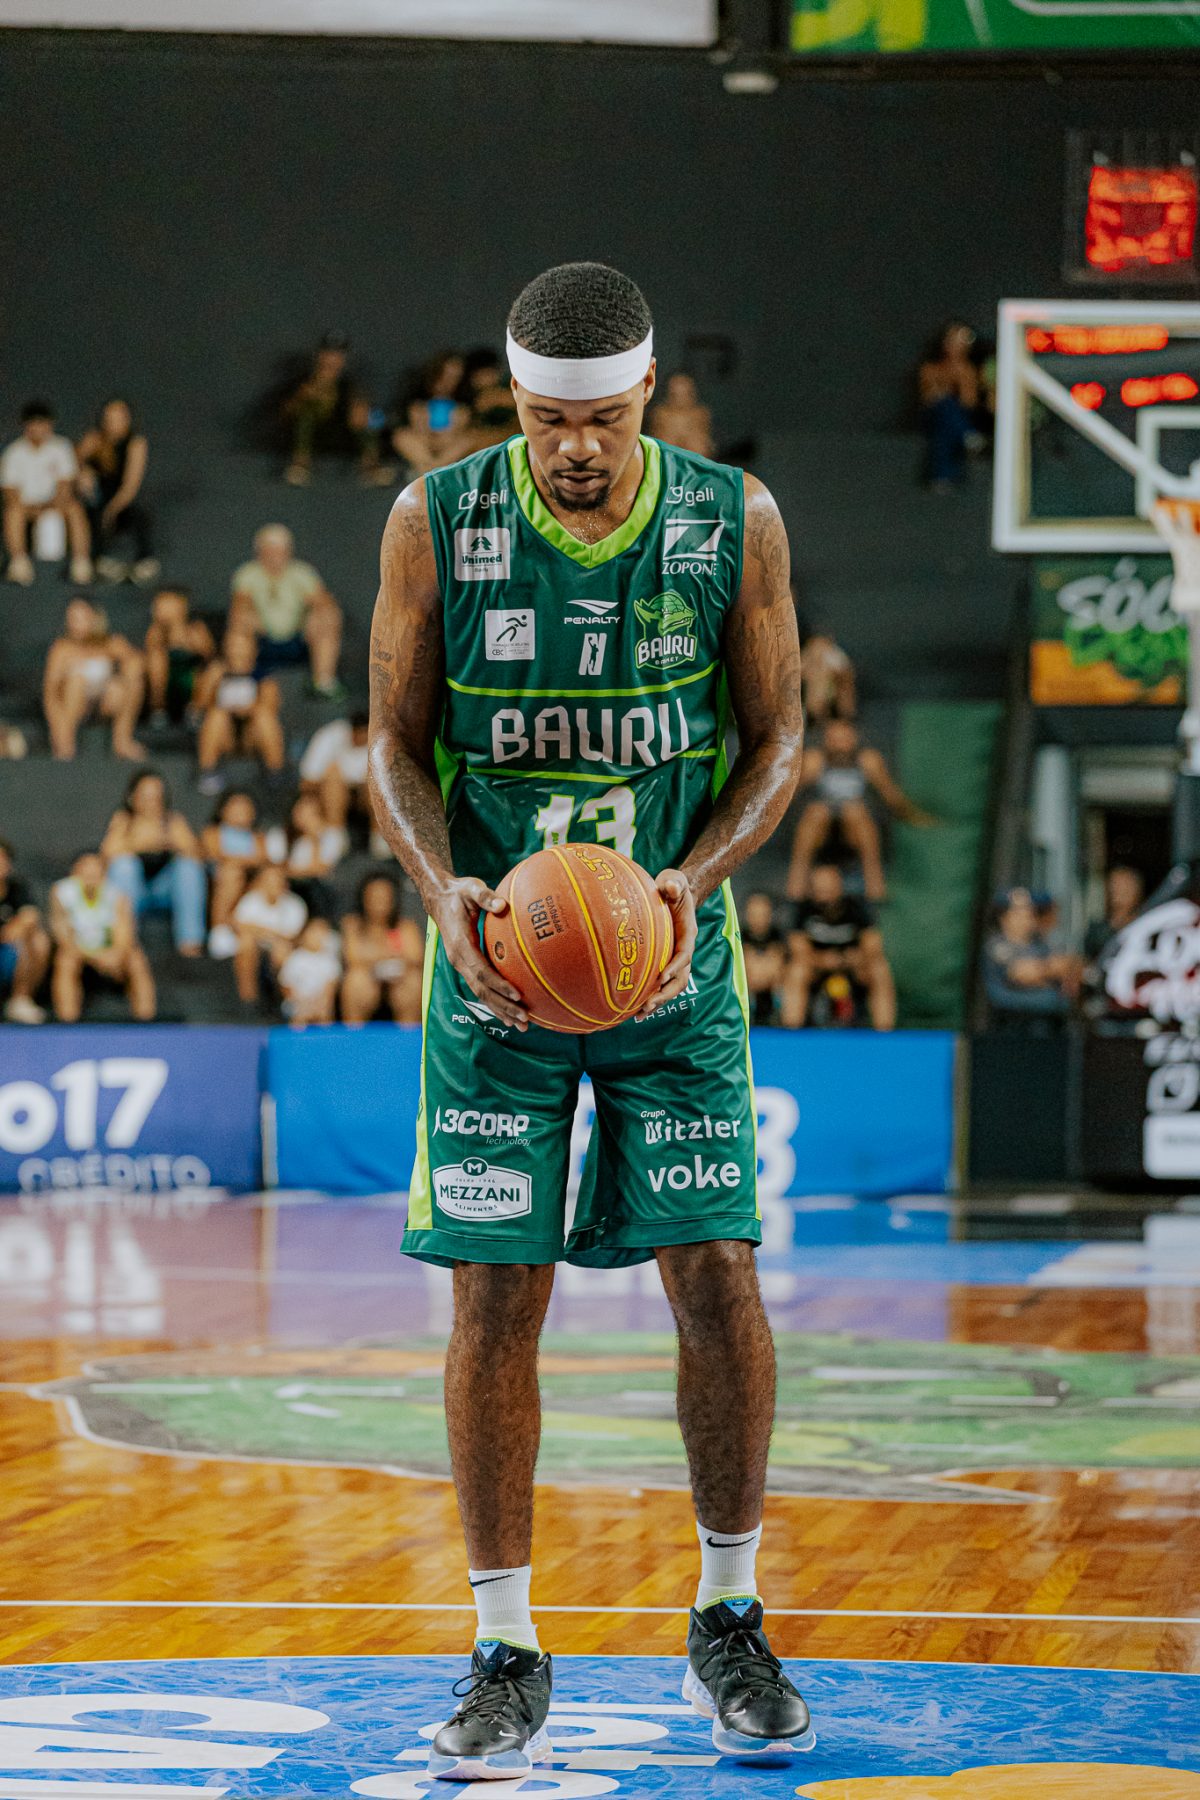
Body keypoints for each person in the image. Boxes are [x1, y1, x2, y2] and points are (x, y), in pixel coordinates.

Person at [368, 260, 812, 1776]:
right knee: (496, 1294)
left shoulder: (733, 518)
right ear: (512, 402)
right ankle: (504, 1648)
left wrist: (694, 880)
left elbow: (781, 738)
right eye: (548, 420)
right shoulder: (434, 520)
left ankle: (729, 1618)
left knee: (719, 1271)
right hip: (499, 968)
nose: (575, 447)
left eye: (604, 420)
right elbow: (392, 742)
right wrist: (443, 890)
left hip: (671, 962)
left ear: (647, 400)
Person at [786, 718, 934, 904]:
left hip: (855, 830)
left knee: (854, 811)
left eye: (844, 740)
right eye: (834, 740)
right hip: (821, 831)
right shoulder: (814, 760)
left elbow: (891, 797)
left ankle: (876, 890)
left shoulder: (868, 760)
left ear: (854, 739)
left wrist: (914, 817)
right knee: (817, 811)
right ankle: (795, 891)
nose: (840, 746)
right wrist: (803, 777)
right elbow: (786, 799)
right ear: (825, 740)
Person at [228, 524, 344, 698]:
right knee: (240, 621)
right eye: (270, 550)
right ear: (260, 552)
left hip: (297, 639)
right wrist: (252, 618)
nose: (275, 556)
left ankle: (323, 682)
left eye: (279, 550)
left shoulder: (302, 573)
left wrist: (314, 616)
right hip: (262, 639)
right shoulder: (248, 573)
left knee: (328, 617)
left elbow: (324, 602)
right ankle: (241, 683)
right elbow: (240, 604)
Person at [101, 770, 206, 958]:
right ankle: (124, 941)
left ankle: (190, 943)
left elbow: (197, 855)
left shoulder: (173, 820)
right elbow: (107, 855)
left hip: (165, 891)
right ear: (132, 797)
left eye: (156, 796)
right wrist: (138, 843)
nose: (151, 802)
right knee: (124, 865)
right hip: (134, 893)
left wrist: (170, 842)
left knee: (188, 867)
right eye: (146, 796)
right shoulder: (123, 820)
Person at [782, 863, 895, 1030]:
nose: (824, 893)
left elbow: (873, 946)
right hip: (816, 969)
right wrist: (823, 961)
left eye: (828, 888)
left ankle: (885, 1032)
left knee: (880, 969)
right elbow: (798, 949)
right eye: (819, 888)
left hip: (853, 968)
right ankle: (791, 1030)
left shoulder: (857, 908)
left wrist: (851, 959)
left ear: (839, 886)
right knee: (796, 970)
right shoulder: (803, 910)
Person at [50, 851, 155, 1022]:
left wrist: (115, 955)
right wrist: (94, 957)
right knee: (66, 960)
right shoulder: (62, 892)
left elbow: (125, 934)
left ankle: (145, 1018)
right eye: (86, 867)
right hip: (78, 950)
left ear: (104, 871)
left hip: (109, 949)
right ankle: (67, 1019)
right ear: (75, 871)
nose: (91, 872)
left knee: (136, 959)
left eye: (96, 867)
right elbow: (63, 936)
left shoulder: (117, 895)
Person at [42, 598, 146, 762]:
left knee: (129, 682)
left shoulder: (111, 643)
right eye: (72, 619)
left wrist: (126, 671)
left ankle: (122, 740)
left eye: (81, 618)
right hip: (74, 705)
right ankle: (67, 741)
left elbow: (136, 662)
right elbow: (50, 694)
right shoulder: (61, 649)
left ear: (95, 619)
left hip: (104, 703)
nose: (75, 624)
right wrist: (58, 730)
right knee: (76, 682)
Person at [2, 400, 92, 587]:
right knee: (12, 511)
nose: (38, 428)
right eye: (33, 423)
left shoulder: (61, 447)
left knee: (75, 509)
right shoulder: (13, 453)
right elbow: (10, 491)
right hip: (26, 506)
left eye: (42, 423)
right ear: (25, 426)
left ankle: (81, 563)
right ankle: (19, 563)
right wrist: (31, 509)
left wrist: (51, 506)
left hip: (56, 504)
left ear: (50, 424)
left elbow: (65, 485)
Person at [281, 331, 388, 488]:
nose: (333, 359)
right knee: (306, 413)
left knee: (371, 416)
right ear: (320, 356)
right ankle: (300, 465)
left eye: (338, 355)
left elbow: (378, 417)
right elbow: (283, 414)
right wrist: (302, 397)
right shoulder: (303, 380)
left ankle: (370, 466)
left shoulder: (351, 384)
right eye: (328, 354)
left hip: (342, 437)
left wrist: (363, 410)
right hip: (311, 438)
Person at [75, 398, 158, 584]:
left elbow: (130, 487)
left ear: (128, 419)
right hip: (95, 499)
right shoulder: (93, 439)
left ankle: (145, 561)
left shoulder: (136, 443)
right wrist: (82, 471)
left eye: (119, 418)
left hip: (120, 499)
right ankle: (98, 559)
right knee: (90, 509)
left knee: (138, 514)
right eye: (109, 418)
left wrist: (111, 511)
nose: (113, 423)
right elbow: (70, 464)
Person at [194, 630, 285, 794]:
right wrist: (211, 680)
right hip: (224, 734)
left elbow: (270, 707)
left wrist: (247, 709)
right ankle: (208, 772)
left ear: (253, 649)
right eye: (232, 646)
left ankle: (275, 772)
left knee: (264, 717)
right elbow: (198, 707)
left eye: (242, 646)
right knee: (216, 715)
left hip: (252, 734)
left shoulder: (263, 676)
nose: (237, 651)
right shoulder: (216, 672)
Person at [983, 886, 1081, 1022]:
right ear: (1004, 917)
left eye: (1029, 910)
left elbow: (1072, 966)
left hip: (1049, 1021)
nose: (1027, 915)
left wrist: (1050, 971)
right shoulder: (997, 945)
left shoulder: (1038, 944)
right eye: (1019, 911)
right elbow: (1022, 974)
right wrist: (1051, 970)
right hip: (1013, 1022)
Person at [340, 871, 424, 1024]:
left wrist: (374, 955)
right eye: (374, 897)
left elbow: (416, 957)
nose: (379, 902)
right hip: (367, 979)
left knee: (413, 981)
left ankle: (408, 1034)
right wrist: (390, 954)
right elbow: (352, 958)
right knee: (355, 980)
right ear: (364, 899)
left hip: (400, 979)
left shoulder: (405, 926)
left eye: (384, 897)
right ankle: (354, 1033)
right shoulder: (353, 925)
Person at [201, 790, 273, 959]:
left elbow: (263, 861)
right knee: (231, 874)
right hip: (220, 880)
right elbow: (215, 855)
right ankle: (220, 931)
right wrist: (244, 861)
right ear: (222, 810)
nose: (240, 811)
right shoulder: (213, 833)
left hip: (249, 880)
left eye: (245, 807)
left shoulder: (259, 837)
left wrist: (240, 862)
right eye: (235, 806)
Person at [918, 321, 985, 493]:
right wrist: (944, 389)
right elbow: (928, 398)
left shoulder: (968, 370)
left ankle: (942, 477)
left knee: (944, 429)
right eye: (953, 340)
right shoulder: (930, 368)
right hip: (932, 414)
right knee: (944, 405)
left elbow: (969, 402)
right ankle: (967, 434)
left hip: (956, 418)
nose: (956, 346)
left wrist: (960, 378)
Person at [232, 862, 307, 1006]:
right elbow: (239, 926)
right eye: (269, 880)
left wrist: (260, 930)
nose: (274, 884)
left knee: (282, 951)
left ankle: (282, 1001)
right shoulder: (251, 899)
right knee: (245, 943)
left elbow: (290, 937)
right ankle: (248, 1001)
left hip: (282, 948)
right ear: (261, 882)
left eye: (278, 880)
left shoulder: (295, 905)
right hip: (257, 945)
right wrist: (270, 933)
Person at [392, 352, 475, 476]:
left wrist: (447, 435)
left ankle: (432, 470)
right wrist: (426, 431)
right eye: (444, 375)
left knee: (469, 440)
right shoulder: (418, 402)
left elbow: (458, 433)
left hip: (449, 445)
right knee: (402, 436)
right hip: (423, 443)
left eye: (454, 378)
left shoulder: (462, 407)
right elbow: (417, 430)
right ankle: (431, 469)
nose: (447, 382)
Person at [144, 587, 217, 726]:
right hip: (165, 683)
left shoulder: (196, 628)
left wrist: (184, 637)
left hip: (191, 681)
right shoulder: (156, 631)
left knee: (212, 670)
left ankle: (195, 712)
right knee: (156, 659)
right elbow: (150, 649)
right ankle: (158, 709)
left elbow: (208, 654)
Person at [274, 791, 347, 920]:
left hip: (325, 892)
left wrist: (315, 840)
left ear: (317, 813)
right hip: (299, 890)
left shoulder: (334, 835)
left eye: (304, 813)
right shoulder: (300, 842)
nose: (299, 817)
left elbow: (320, 870)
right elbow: (290, 872)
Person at [0, 839, 50, 1023]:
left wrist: (15, 929)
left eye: (2, 859)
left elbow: (31, 916)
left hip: (8, 955)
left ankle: (20, 1000)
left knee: (38, 939)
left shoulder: (18, 887)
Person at [299, 712, 370, 829]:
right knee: (333, 776)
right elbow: (307, 782)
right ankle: (334, 832)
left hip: (365, 799)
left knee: (376, 783)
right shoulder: (330, 736)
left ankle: (379, 836)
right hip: (328, 797)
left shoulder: (380, 739)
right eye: (360, 733)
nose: (362, 738)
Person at [279, 917, 342, 1025]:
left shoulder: (330, 960)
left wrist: (320, 1001)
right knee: (299, 1013)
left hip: (321, 1001)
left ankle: (325, 1033)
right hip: (297, 1001)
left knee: (325, 1011)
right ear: (304, 935)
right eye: (313, 933)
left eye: (321, 934)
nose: (316, 937)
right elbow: (286, 985)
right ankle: (297, 1033)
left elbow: (331, 986)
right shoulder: (295, 958)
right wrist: (299, 1001)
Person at [739, 891, 786, 1026]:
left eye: (762, 914)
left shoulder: (779, 936)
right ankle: (747, 1013)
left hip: (774, 983)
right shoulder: (739, 936)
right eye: (754, 914)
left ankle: (780, 1016)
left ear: (770, 915)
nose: (758, 919)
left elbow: (781, 960)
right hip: (749, 981)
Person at [461, 346, 519, 448]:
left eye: (488, 373)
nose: (484, 379)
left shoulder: (509, 388)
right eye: (480, 375)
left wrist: (501, 399)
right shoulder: (468, 397)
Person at [1084, 864, 1145, 961]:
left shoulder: (1147, 926)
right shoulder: (1097, 932)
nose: (1120, 891)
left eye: (1126, 886)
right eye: (1116, 885)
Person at [647, 370, 714, 458]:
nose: (680, 398)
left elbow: (706, 446)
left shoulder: (700, 414)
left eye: (685, 393)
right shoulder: (660, 414)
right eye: (675, 394)